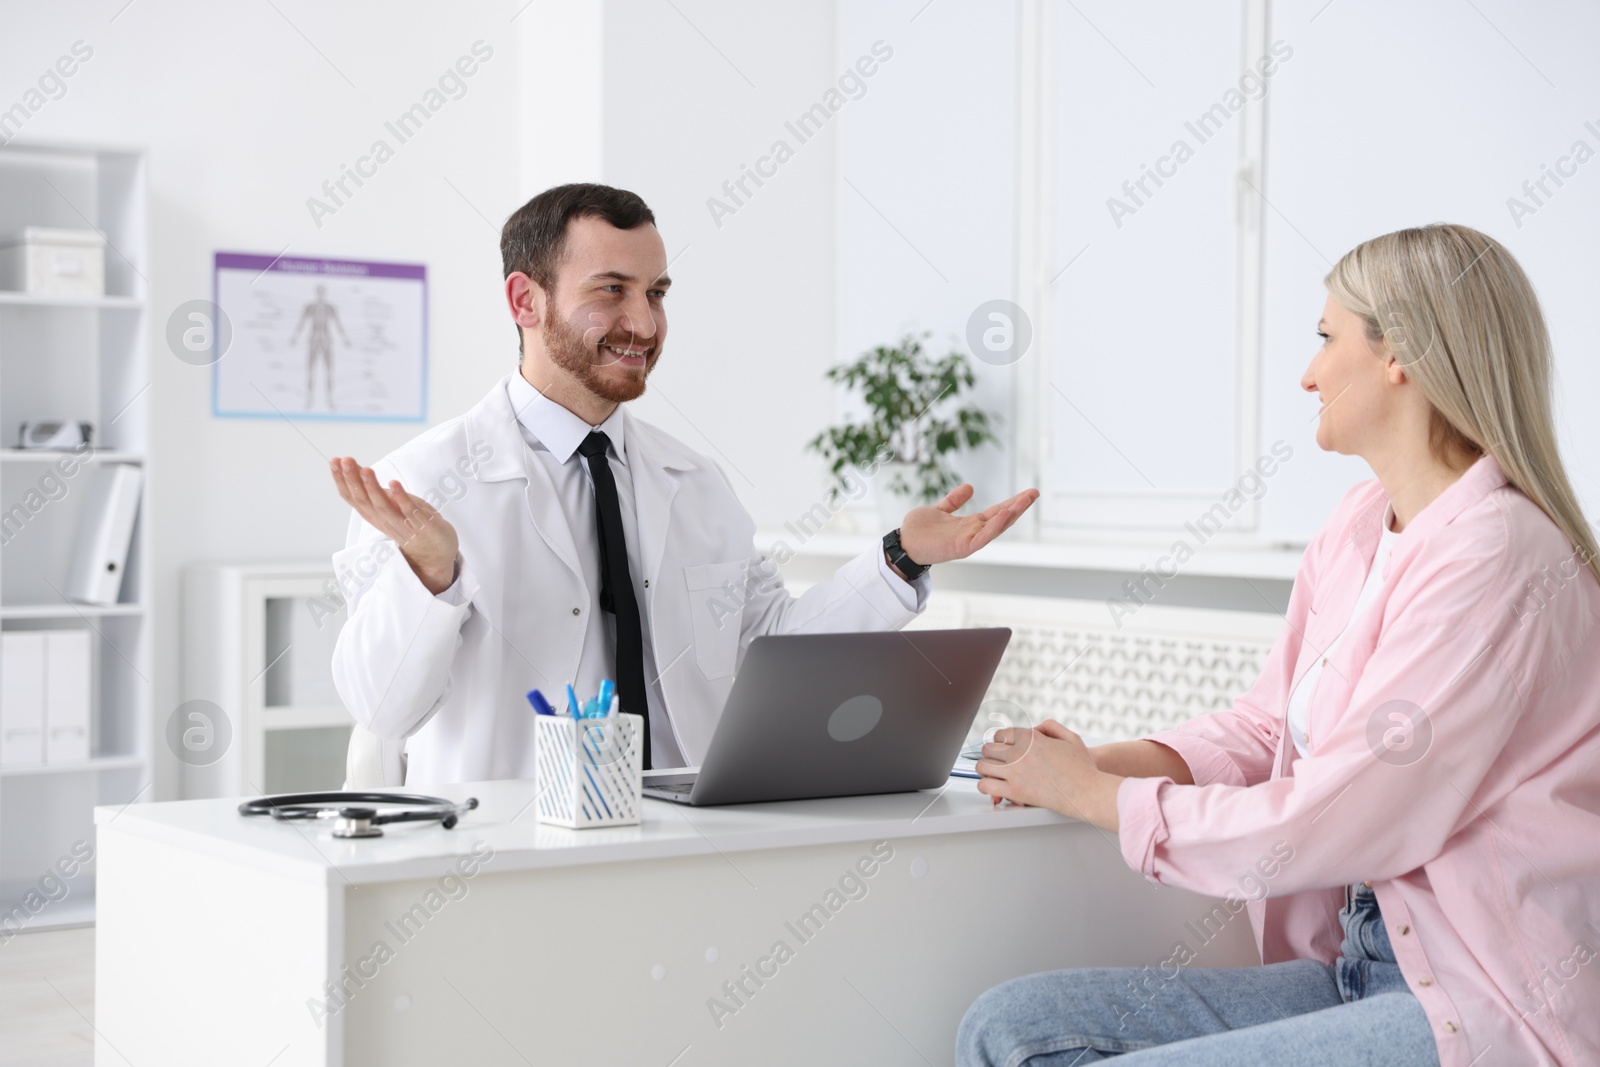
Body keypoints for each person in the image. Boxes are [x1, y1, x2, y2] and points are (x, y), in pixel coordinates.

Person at [960, 223, 1600, 1066]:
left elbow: (1341, 811)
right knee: (1005, 1027)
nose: (1309, 373)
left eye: (1328, 338)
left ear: (1399, 352)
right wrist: (1107, 762)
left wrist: (1097, 800)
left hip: (1478, 994)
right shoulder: (1360, 523)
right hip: (1362, 966)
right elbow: (1270, 729)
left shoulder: (1498, 553)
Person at [328, 183, 1038, 786]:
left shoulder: (694, 483)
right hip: (509, 852)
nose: (643, 324)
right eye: (612, 291)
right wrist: (430, 573)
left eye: (656, 293)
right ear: (525, 301)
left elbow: (772, 647)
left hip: (686, 838)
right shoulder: (422, 482)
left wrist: (899, 555)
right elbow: (382, 709)